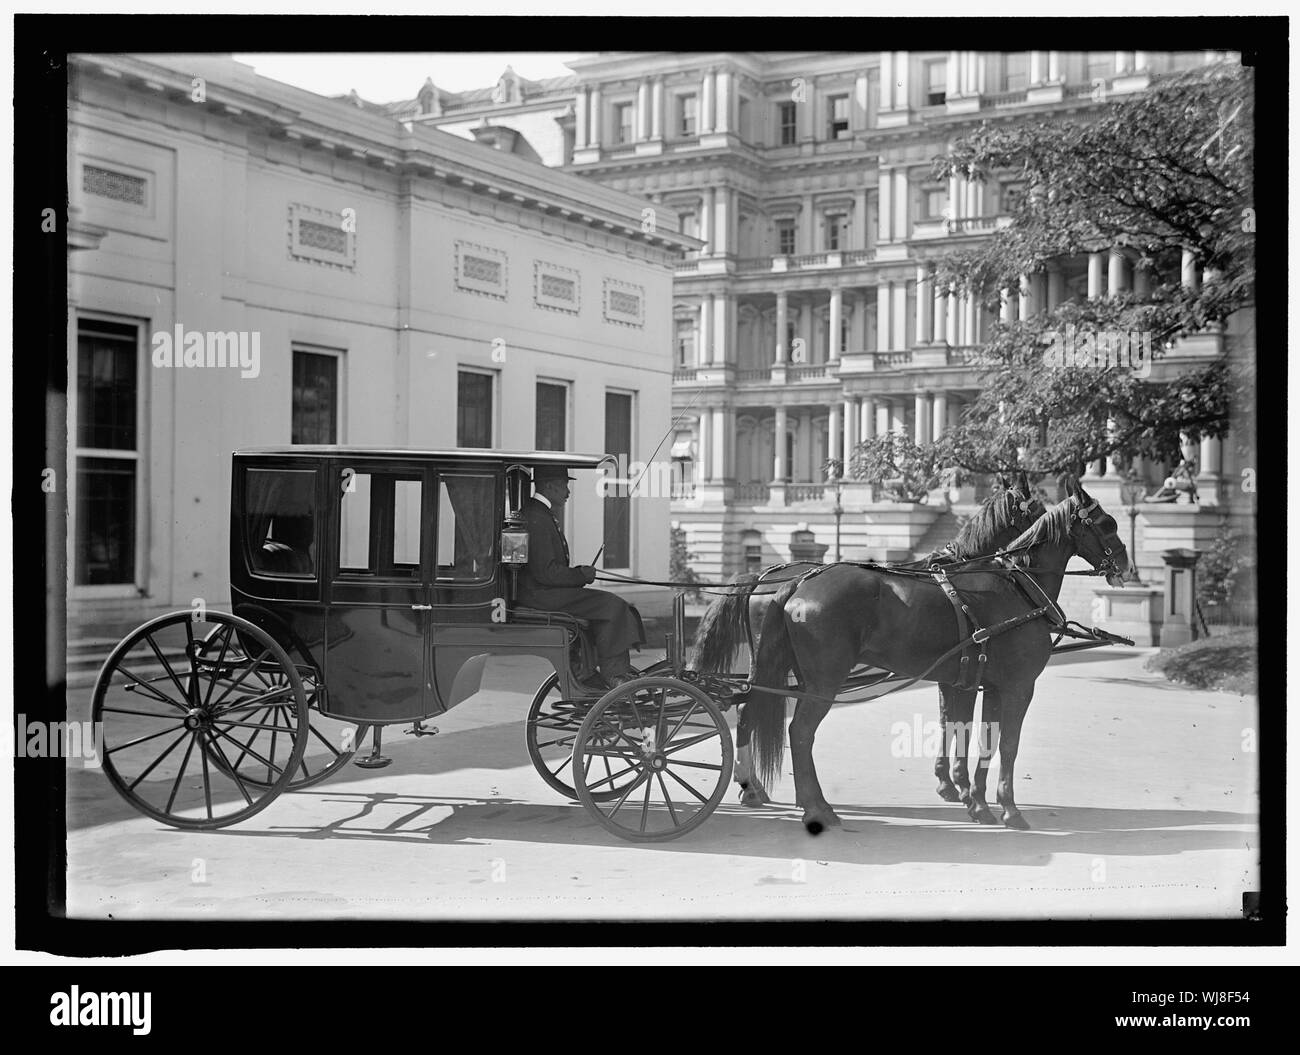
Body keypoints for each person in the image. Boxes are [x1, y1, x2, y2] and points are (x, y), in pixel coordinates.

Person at [516, 466, 645, 687]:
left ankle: (589, 670)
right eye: (564, 486)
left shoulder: (539, 512)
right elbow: (546, 572)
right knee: (612, 606)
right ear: (550, 486)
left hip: (544, 591)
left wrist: (580, 574)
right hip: (541, 595)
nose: (568, 492)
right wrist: (580, 575)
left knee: (609, 604)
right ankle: (615, 675)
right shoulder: (536, 516)